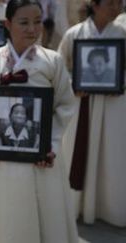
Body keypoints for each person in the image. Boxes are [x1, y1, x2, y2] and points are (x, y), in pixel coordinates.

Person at [0, 0, 79, 242]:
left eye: (37, 22)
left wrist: (51, 143)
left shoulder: (52, 62)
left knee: (42, 216)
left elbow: (65, 106)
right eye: (24, 22)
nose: (32, 29)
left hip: (40, 158)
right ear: (7, 24)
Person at [57, 0, 126, 227]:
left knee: (111, 154)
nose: (118, 7)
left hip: (114, 106)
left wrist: (120, 83)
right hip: (82, 104)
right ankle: (76, 205)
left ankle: (109, 208)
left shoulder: (123, 34)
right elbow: (61, 68)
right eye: (112, 2)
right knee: (79, 150)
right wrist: (73, 83)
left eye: (120, 2)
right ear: (95, 6)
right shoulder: (74, 34)